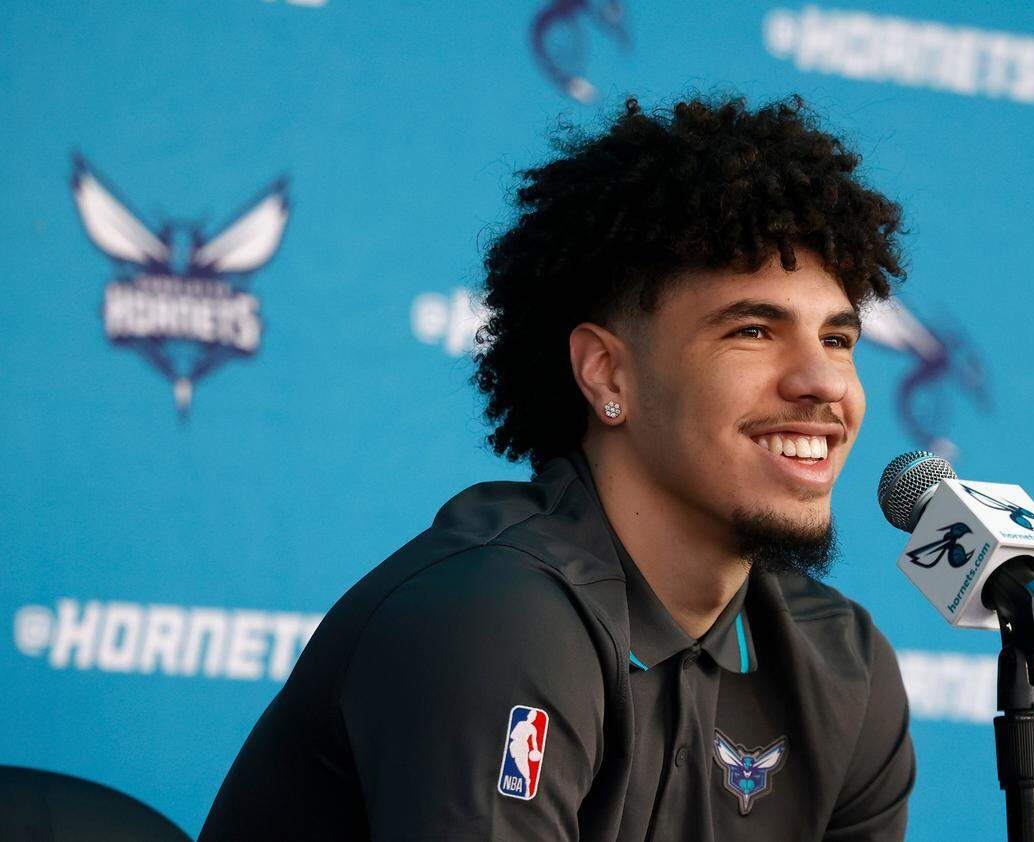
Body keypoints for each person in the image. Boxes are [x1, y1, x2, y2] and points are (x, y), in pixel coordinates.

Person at [199, 93, 916, 841]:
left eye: (837, 340)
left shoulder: (841, 664)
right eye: (753, 329)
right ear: (608, 376)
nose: (824, 382)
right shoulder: (498, 617)